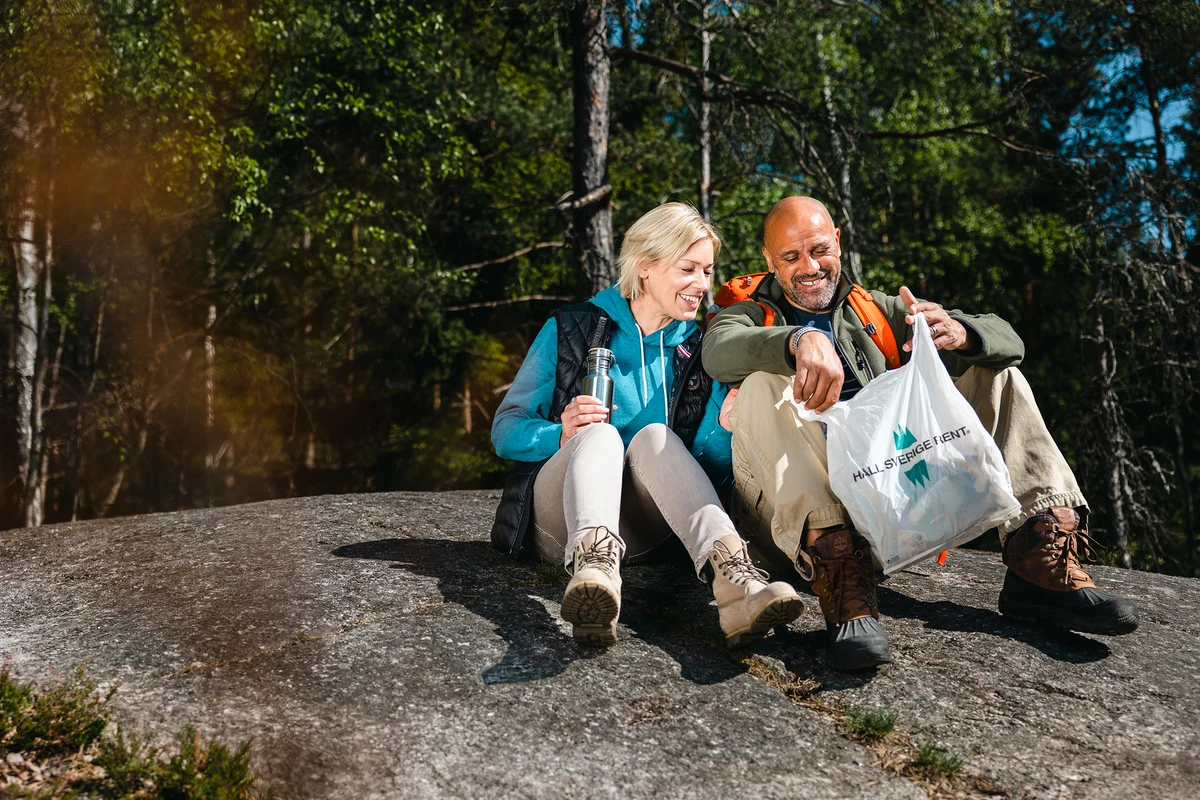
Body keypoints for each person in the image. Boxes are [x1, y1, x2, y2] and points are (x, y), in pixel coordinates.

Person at [702, 195, 1140, 671]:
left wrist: (960, 332)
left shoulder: (873, 310)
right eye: (791, 257)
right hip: (791, 527)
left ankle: (1039, 560)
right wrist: (798, 340)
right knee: (762, 385)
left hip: (884, 500)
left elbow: (1010, 341)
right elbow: (718, 351)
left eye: (820, 250)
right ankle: (842, 584)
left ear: (839, 242)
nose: (809, 267)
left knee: (998, 374)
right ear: (769, 260)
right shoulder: (746, 313)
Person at [490, 203, 804, 647]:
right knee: (599, 434)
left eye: (707, 271)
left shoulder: (703, 349)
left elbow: (706, 470)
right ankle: (595, 574)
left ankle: (736, 582)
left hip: (647, 531)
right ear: (645, 266)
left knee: (657, 437)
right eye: (688, 269)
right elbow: (505, 430)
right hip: (559, 522)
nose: (702, 285)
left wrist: (725, 428)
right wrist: (559, 434)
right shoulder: (571, 328)